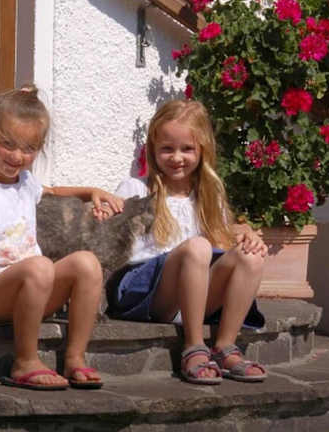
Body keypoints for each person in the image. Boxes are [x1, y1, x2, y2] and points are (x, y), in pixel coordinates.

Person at [0, 85, 124, 391]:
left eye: (29, 149)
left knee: (87, 263)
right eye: (7, 144)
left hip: (34, 287)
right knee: (40, 265)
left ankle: (74, 357)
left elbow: (52, 191)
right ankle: (25, 360)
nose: (17, 156)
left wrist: (91, 191)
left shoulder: (25, 182)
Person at [105, 99, 268, 385]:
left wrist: (246, 235)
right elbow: (113, 243)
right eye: (167, 149)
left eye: (187, 149)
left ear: (202, 149)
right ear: (153, 149)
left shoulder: (209, 195)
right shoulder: (136, 188)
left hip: (196, 293)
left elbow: (222, 243)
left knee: (250, 254)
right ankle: (194, 345)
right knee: (197, 247)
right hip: (147, 292)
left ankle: (225, 346)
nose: (177, 157)